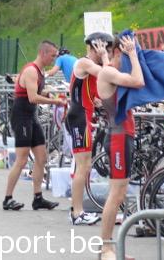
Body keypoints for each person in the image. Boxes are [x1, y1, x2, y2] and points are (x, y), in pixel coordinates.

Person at [3, 40, 68, 211]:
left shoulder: (40, 71)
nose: (54, 60)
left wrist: (53, 94)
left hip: (31, 116)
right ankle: (8, 198)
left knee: (41, 157)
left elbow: (37, 91)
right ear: (43, 53)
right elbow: (33, 97)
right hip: (21, 116)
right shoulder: (31, 70)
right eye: (52, 56)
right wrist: (55, 102)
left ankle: (38, 197)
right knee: (22, 159)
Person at [96, 34, 144, 260]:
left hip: (121, 136)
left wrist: (107, 55)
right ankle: (106, 248)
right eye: (125, 51)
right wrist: (133, 55)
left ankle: (111, 248)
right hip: (118, 138)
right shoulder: (108, 73)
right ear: (118, 52)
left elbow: (112, 66)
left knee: (119, 193)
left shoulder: (109, 70)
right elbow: (138, 81)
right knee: (116, 194)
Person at [66, 32, 113, 225]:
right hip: (79, 117)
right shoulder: (85, 63)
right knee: (83, 166)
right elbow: (108, 74)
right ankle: (77, 212)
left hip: (83, 115)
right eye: (106, 49)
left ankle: (76, 210)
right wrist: (104, 57)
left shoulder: (89, 67)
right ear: (97, 47)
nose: (108, 53)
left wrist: (97, 102)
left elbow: (90, 92)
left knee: (83, 166)